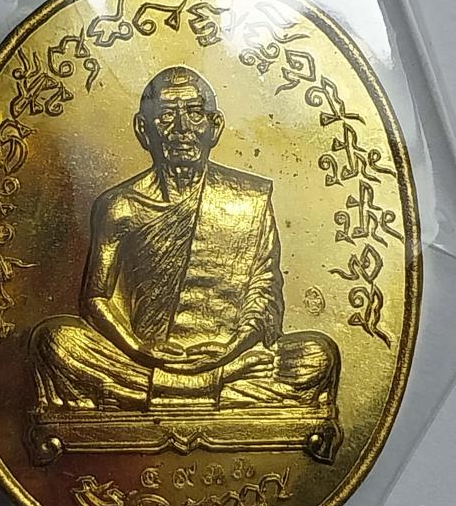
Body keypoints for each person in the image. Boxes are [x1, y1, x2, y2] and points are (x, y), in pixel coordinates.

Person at [30, 66, 340, 412]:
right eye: (165, 116)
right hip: (143, 360)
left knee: (317, 356)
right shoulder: (121, 206)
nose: (181, 129)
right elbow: (96, 299)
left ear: (215, 126)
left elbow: (265, 292)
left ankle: (145, 395)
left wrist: (233, 347)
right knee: (56, 342)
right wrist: (138, 348)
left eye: (194, 113)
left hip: (232, 359)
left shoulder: (249, 199)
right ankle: (202, 392)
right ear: (143, 129)